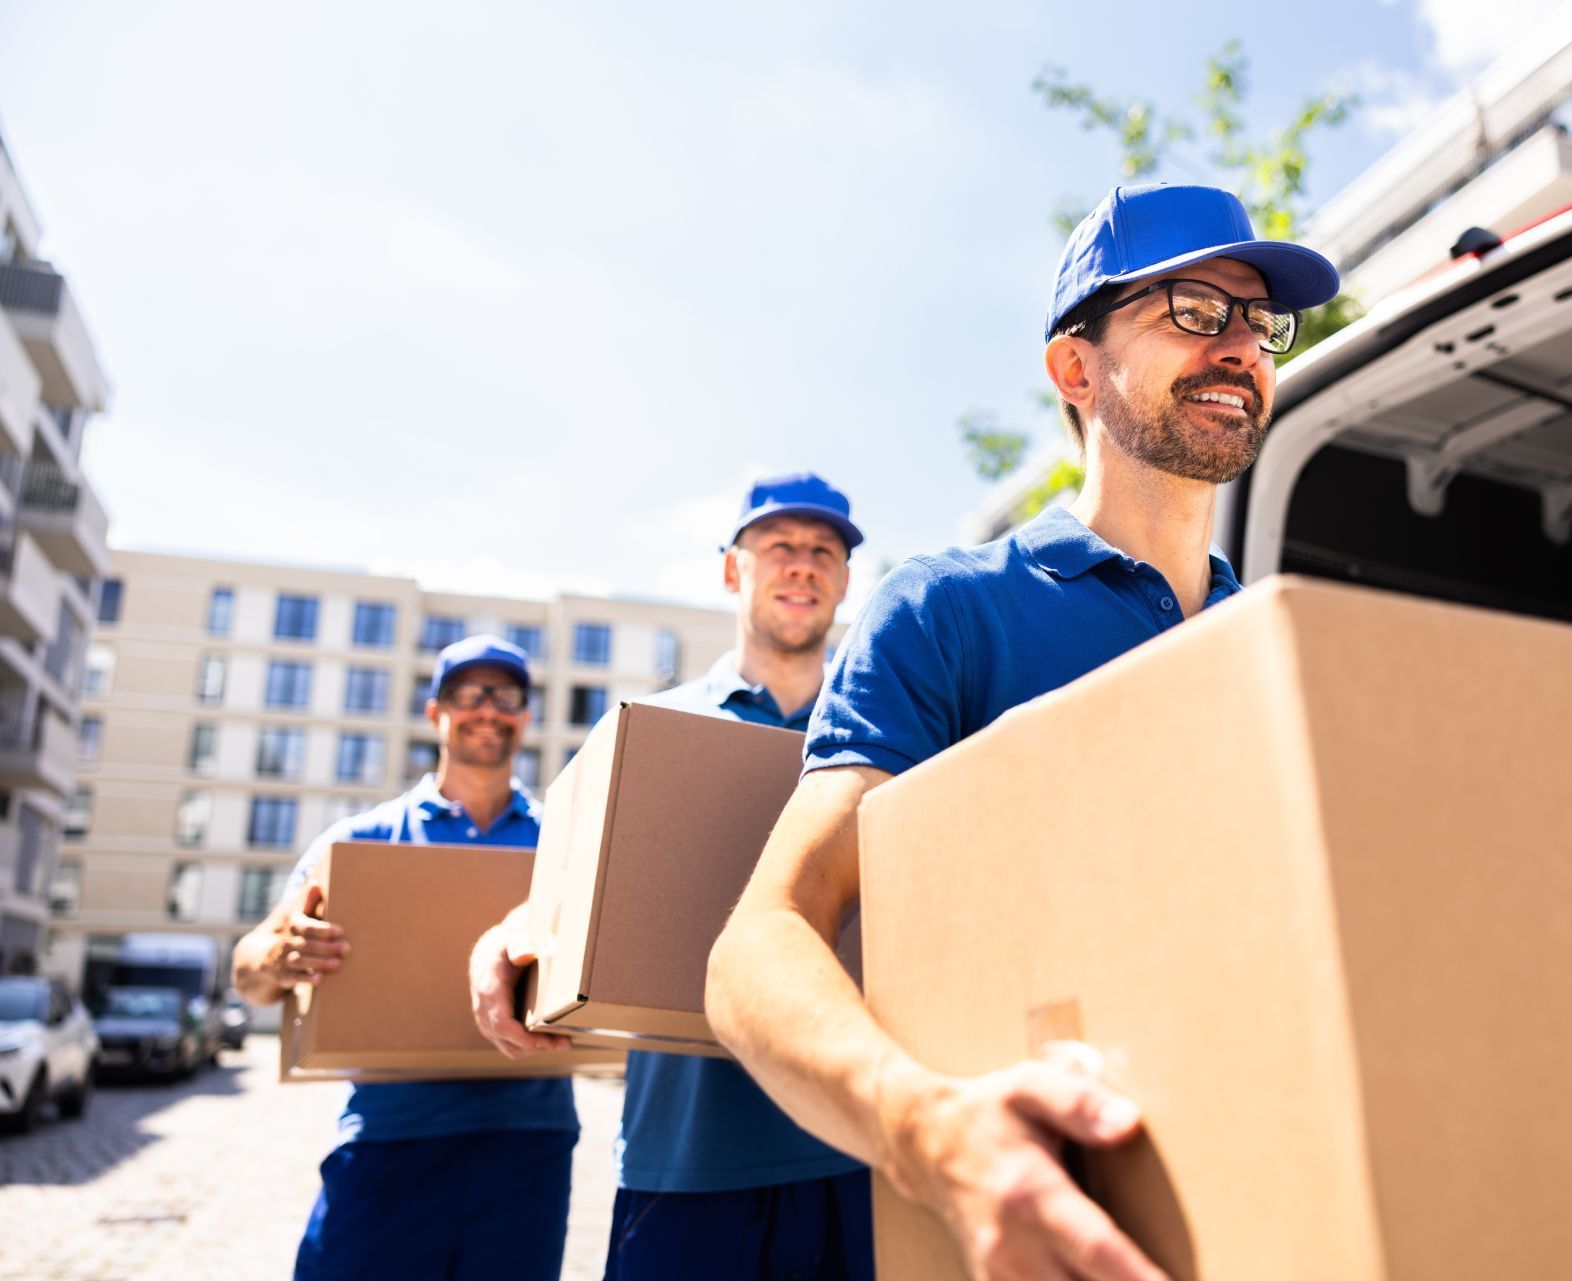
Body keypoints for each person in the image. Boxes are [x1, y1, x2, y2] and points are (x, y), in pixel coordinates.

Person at [705, 184, 1341, 1281]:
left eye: (1261, 323)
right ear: (1075, 369)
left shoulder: (1274, 643)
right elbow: (757, 946)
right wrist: (926, 1131)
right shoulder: (951, 612)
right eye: (1195, 308)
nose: (1242, 345)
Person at [469, 474, 873, 1281]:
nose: (803, 566)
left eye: (824, 551)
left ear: (845, 580)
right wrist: (503, 938)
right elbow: (569, 894)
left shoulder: (882, 729)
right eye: (780, 547)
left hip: (852, 1154)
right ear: (733, 570)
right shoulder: (651, 728)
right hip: (685, 1161)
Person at [232, 635, 576, 1281]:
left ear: (525, 715)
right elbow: (248, 971)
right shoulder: (360, 841)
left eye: (504, 695)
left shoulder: (564, 842)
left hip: (528, 1145)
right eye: (467, 693)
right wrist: (280, 955)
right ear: (435, 712)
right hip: (388, 1140)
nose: (486, 709)